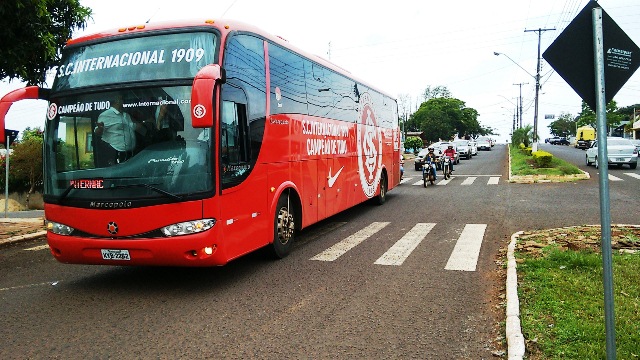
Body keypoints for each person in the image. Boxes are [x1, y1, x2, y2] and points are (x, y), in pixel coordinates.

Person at [94, 95, 144, 166]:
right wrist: (100, 128)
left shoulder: (126, 115)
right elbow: (97, 131)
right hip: (115, 152)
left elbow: (132, 127)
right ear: (117, 101)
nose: (123, 102)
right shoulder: (106, 115)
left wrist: (144, 123)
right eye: (122, 100)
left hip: (131, 153)